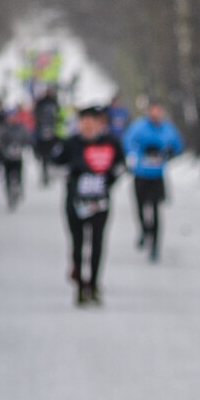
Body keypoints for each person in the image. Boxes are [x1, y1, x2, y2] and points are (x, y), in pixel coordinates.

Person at [52, 104, 125, 306]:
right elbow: (55, 164)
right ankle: (79, 284)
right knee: (77, 244)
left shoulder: (111, 143)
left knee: (97, 244)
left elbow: (121, 165)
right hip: (75, 202)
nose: (87, 127)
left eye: (92, 123)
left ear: (99, 124)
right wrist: (71, 171)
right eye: (83, 122)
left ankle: (93, 284)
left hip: (100, 202)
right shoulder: (71, 143)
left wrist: (109, 180)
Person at [122, 98, 184, 262]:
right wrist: (137, 154)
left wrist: (171, 152)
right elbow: (127, 143)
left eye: (159, 110)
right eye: (153, 110)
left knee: (156, 210)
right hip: (141, 175)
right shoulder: (138, 127)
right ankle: (144, 230)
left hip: (157, 176)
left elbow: (178, 145)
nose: (156, 113)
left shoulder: (167, 128)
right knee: (141, 207)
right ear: (148, 111)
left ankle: (155, 247)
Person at [0, 109, 31, 211]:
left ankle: (18, 191)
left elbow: (27, 140)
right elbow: (0, 142)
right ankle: (9, 196)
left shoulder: (21, 128)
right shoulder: (4, 128)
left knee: (19, 175)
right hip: (7, 158)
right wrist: (5, 150)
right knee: (7, 177)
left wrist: (21, 148)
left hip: (18, 157)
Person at [33, 85, 62, 186]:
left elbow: (59, 115)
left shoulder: (54, 102)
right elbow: (36, 114)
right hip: (42, 130)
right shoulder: (41, 102)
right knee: (41, 151)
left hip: (52, 130)